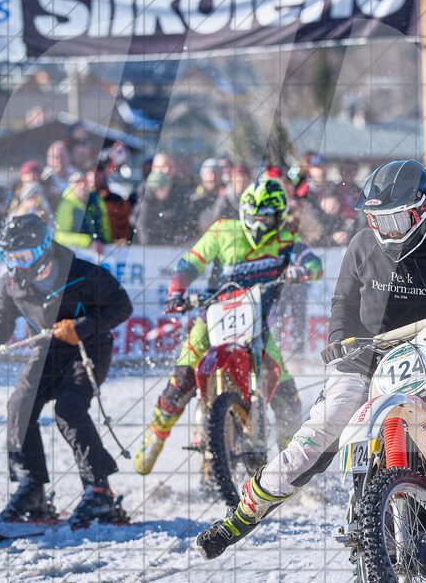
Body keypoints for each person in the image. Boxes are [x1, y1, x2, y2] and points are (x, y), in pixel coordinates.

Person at [193, 159, 426, 559]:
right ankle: (243, 515)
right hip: (357, 359)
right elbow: (342, 301)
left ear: (423, 213)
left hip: (416, 362)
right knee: (315, 437)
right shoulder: (363, 245)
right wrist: (338, 338)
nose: (385, 231)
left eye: (396, 221)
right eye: (377, 220)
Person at [0, 215, 133, 526]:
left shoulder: (82, 273)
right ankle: (32, 487)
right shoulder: (11, 284)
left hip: (88, 348)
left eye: (23, 256)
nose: (16, 263)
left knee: (68, 408)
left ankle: (99, 492)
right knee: (20, 404)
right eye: (9, 256)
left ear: (43, 249)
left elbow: (122, 306)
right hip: (47, 352)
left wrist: (81, 327)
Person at [134, 178, 323, 475]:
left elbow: (313, 262)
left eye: (266, 218)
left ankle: (295, 470)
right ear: (244, 213)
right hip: (212, 318)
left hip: (256, 326)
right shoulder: (223, 231)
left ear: (279, 217)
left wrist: (304, 269)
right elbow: (188, 264)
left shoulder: (286, 240)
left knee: (287, 394)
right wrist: (176, 292)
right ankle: (153, 440)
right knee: (182, 379)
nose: (260, 224)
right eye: (255, 217)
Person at [54, 170, 111, 254]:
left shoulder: (97, 200)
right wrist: (88, 242)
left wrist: (107, 243)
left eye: (84, 181)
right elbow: (60, 236)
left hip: (101, 253)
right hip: (77, 256)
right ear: (70, 185)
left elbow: (105, 227)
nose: (82, 186)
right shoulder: (66, 205)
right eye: (77, 182)